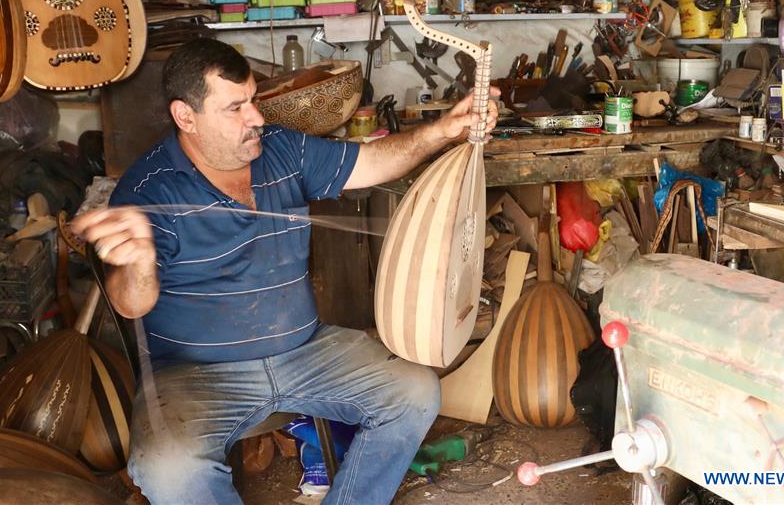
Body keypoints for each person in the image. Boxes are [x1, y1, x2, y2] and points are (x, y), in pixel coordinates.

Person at [72, 38, 498, 504]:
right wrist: (138, 262)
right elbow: (131, 303)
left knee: (414, 393)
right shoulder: (150, 189)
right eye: (235, 108)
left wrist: (441, 132)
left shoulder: (281, 149)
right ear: (185, 116)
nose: (255, 117)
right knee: (168, 468)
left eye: (253, 99)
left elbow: (371, 161)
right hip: (199, 375)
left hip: (306, 351)